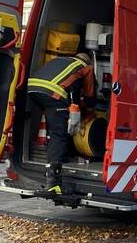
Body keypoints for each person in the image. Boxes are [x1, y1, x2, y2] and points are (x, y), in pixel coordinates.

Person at [25, 51, 96, 193]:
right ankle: (54, 182)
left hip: (32, 89)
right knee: (59, 135)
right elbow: (89, 96)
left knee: (52, 129)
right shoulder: (86, 67)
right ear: (87, 61)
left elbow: (70, 87)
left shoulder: (59, 60)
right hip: (53, 93)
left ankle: (47, 167)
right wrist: (88, 106)